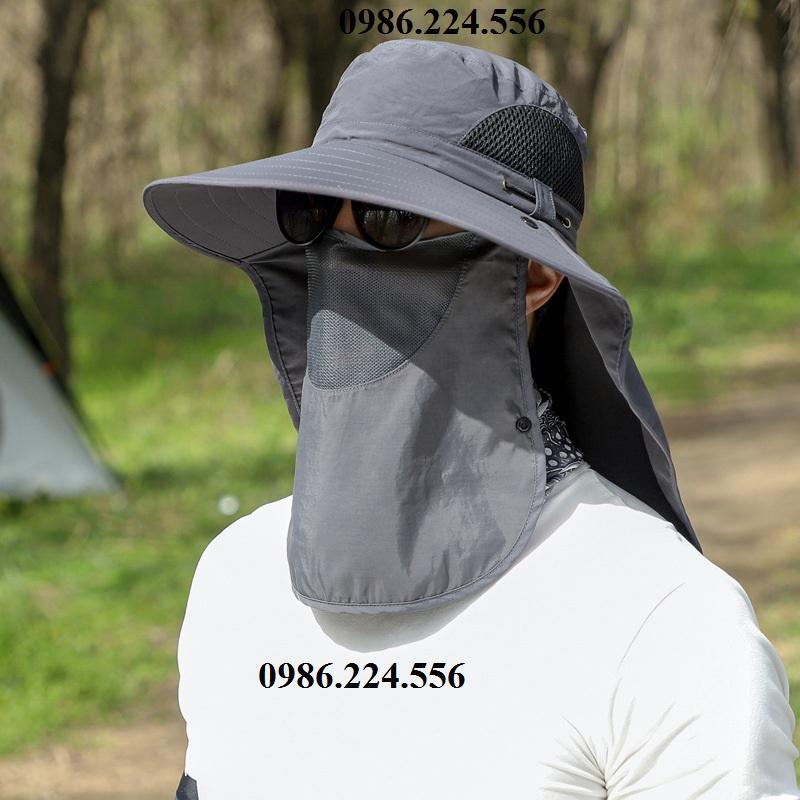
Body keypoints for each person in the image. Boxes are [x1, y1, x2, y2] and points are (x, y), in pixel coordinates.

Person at [144, 39, 800, 800]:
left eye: (389, 218)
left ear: (535, 276)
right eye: (313, 215)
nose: (339, 258)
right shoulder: (238, 577)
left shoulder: (663, 622)